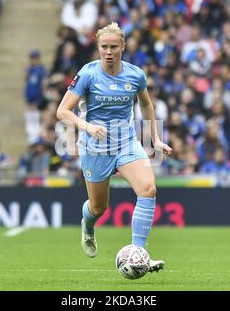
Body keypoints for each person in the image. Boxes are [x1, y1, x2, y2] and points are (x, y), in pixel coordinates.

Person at [56, 22, 172, 273]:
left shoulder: (135, 75)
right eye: (103, 47)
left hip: (126, 143)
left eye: (113, 47)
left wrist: (155, 139)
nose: (108, 52)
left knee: (148, 189)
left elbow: (146, 106)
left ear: (122, 47)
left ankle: (138, 254)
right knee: (99, 207)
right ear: (98, 48)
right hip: (95, 148)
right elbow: (62, 111)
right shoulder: (87, 74)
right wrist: (87, 127)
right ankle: (87, 227)